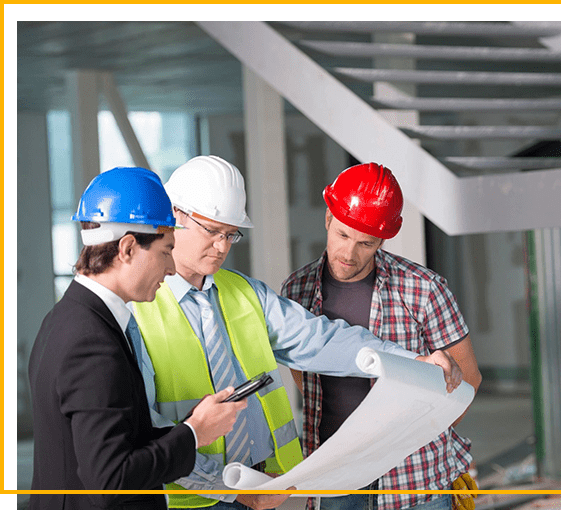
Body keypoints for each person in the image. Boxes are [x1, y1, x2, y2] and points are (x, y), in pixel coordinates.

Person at [131, 155, 463, 510]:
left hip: (263, 484)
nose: (223, 246)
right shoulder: (138, 308)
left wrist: (413, 360)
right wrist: (228, 487)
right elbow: (144, 430)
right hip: (196, 496)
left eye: (231, 234)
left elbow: (321, 339)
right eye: (211, 230)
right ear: (174, 216)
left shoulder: (244, 291)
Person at [28, 167, 247, 510]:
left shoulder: (66, 319)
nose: (172, 269)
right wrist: (193, 435)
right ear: (128, 248)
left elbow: (108, 443)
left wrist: (190, 425)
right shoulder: (91, 343)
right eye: (165, 252)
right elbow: (111, 478)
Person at [281, 163, 483, 510]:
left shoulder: (422, 289)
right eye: (342, 235)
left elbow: (468, 378)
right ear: (328, 218)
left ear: (382, 239)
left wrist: (418, 436)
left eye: (365, 243)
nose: (349, 253)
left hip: (414, 477)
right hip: (335, 472)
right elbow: (302, 371)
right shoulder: (296, 290)